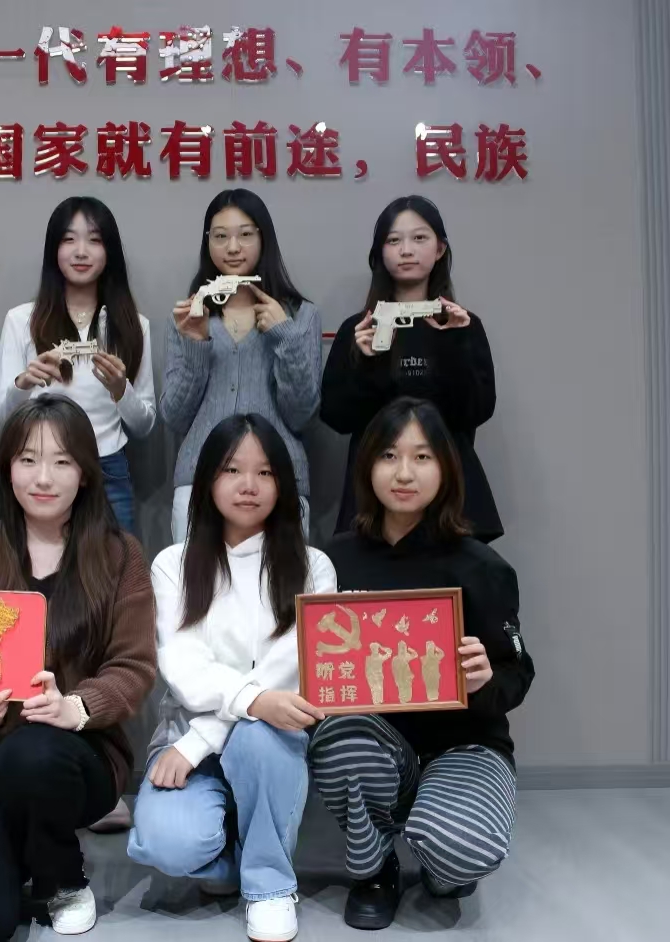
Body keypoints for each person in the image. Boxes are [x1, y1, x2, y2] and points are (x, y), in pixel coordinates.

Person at [0, 396, 157, 940]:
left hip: (72, 758)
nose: (43, 477)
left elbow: (134, 666)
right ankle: (15, 854)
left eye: (62, 461)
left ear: (86, 472)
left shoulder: (120, 556)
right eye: (28, 459)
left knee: (31, 752)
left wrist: (75, 706)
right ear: (8, 470)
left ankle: (62, 876)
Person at [309, 397, 534, 930]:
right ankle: (375, 869)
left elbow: (519, 671)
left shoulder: (483, 566)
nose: (404, 473)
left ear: (447, 468)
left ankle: (444, 865)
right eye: (388, 455)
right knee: (341, 737)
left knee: (458, 849)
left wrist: (484, 679)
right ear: (367, 466)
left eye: (422, 457)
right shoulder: (333, 560)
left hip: (463, 743)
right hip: (379, 741)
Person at [128, 414, 337, 942]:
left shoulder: (314, 567)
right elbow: (184, 664)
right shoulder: (173, 564)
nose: (249, 485)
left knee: (260, 735)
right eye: (232, 469)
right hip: (186, 730)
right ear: (207, 480)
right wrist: (206, 732)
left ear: (282, 485)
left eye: (265, 473)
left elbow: (289, 669)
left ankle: (269, 885)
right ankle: (233, 852)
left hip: (265, 736)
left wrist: (206, 738)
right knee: (167, 843)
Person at [320, 195, 502, 541]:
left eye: (419, 238)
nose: (406, 250)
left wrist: (455, 345)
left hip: (449, 494)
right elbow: (336, 417)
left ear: (440, 249)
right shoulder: (358, 329)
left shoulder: (462, 325)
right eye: (393, 240)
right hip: (374, 495)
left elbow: (475, 412)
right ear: (379, 252)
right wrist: (369, 361)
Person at [160, 188, 322, 543]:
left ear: (264, 239)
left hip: (279, 480)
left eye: (245, 234)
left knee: (283, 579)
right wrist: (196, 343)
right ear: (208, 243)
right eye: (220, 236)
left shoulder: (300, 315)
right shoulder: (188, 315)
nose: (232, 247)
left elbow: (303, 415)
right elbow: (174, 417)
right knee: (197, 579)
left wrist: (284, 336)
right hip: (199, 479)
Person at [0, 196, 155, 534]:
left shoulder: (133, 326)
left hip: (108, 470)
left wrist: (120, 390)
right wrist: (23, 384)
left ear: (109, 251)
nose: (81, 252)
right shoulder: (21, 321)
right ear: (54, 249)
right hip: (40, 470)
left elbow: (145, 425)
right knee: (34, 564)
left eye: (94, 240)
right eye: (69, 239)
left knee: (116, 566)